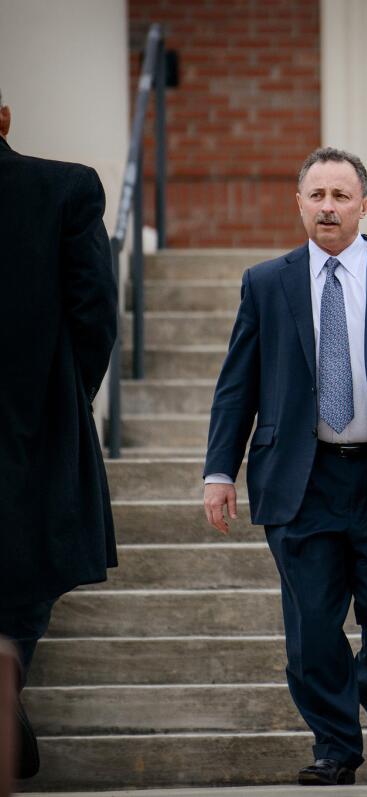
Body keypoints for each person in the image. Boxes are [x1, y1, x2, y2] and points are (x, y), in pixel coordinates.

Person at [202, 147, 367, 786]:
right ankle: (335, 745)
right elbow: (238, 384)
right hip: (301, 478)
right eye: (316, 195)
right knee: (314, 627)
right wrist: (219, 471)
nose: (328, 207)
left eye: (341, 196)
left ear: (364, 206)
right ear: (299, 203)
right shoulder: (267, 283)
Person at [0, 88, 119, 782]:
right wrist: (67, 397)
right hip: (33, 421)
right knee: (24, 577)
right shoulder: (66, 189)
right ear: (6, 119)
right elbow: (95, 314)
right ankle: (6, 688)